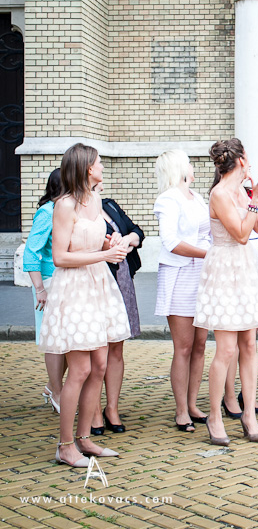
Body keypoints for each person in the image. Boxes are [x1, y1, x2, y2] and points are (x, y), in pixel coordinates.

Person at [38, 143, 131, 467]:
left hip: (98, 286)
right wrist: (104, 254)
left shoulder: (95, 200)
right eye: (99, 162)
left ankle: (84, 438)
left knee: (100, 366)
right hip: (75, 289)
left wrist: (109, 241)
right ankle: (64, 446)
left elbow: (89, 239)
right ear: (87, 167)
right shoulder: (64, 205)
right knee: (79, 369)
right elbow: (60, 257)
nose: (102, 166)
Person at [194, 139, 258, 445]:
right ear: (240, 161)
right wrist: (256, 198)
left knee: (249, 344)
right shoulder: (220, 193)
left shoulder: (242, 191)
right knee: (226, 349)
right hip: (225, 269)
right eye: (247, 157)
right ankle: (214, 416)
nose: (250, 163)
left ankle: (249, 413)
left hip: (247, 268)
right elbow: (238, 233)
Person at [153, 150, 211, 433]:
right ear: (178, 167)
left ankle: (193, 403)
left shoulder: (197, 197)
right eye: (188, 162)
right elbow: (170, 241)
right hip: (180, 275)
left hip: (202, 274)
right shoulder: (167, 199)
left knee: (200, 345)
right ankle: (180, 411)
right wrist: (207, 254)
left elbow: (208, 232)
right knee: (184, 346)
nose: (192, 166)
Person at [91, 187, 144, 433]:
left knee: (116, 346)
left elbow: (137, 231)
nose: (102, 180)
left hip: (121, 278)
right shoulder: (77, 207)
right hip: (95, 280)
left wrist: (128, 239)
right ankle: (93, 410)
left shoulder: (109, 204)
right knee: (95, 349)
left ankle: (111, 408)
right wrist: (108, 247)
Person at [24, 169, 65, 414]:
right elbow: (31, 252)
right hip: (49, 282)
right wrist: (40, 288)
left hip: (66, 281)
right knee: (54, 340)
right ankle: (57, 392)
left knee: (69, 339)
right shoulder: (47, 212)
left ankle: (52, 386)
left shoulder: (66, 210)